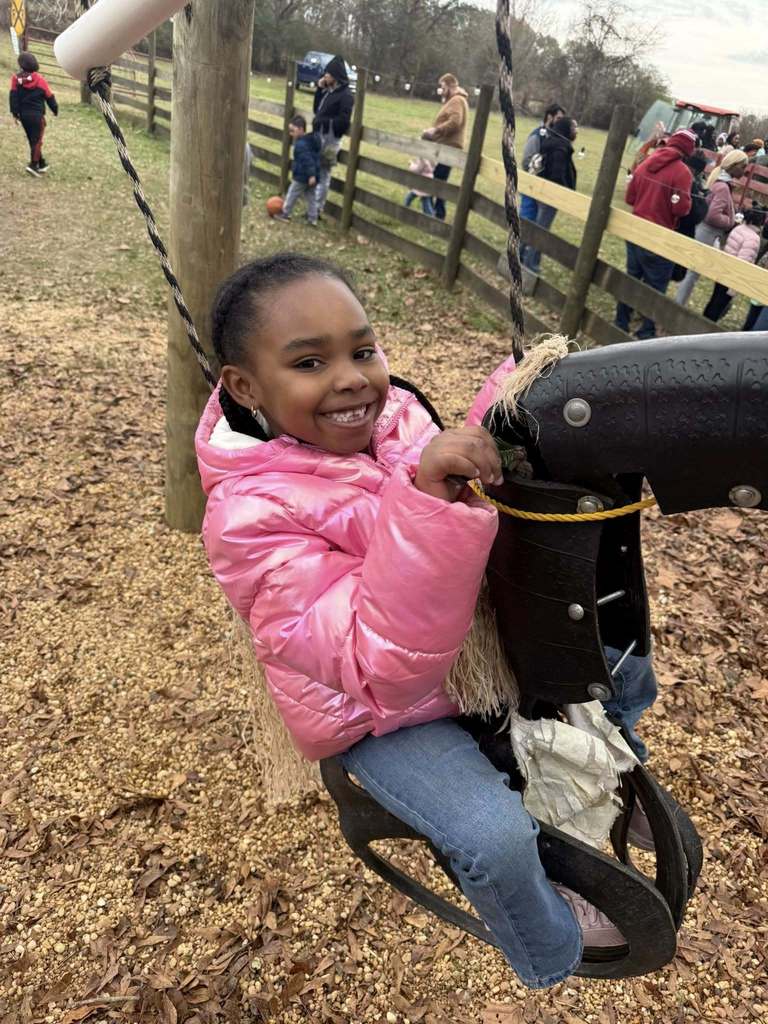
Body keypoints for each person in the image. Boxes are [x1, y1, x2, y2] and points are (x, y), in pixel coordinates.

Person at [195, 252, 663, 988]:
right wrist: (424, 498)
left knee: (619, 654)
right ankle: (549, 947)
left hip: (459, 662)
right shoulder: (249, 516)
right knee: (493, 836)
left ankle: (617, 769)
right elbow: (376, 662)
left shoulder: (396, 417)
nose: (352, 378)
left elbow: (456, 461)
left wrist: (508, 410)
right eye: (311, 362)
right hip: (374, 714)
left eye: (363, 350)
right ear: (245, 386)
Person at [614, 129, 695, 339]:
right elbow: (681, 210)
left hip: (635, 232)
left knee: (632, 278)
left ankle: (621, 321)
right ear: (688, 150)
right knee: (656, 288)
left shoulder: (645, 163)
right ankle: (646, 331)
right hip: (660, 238)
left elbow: (630, 198)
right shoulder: (683, 172)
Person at [675, 148, 749, 307]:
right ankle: (677, 305)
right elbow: (712, 215)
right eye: (743, 167)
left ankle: (679, 304)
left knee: (691, 274)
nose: (744, 171)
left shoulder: (721, 182)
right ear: (733, 165)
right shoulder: (723, 187)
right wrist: (730, 222)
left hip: (705, 233)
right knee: (691, 275)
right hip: (707, 234)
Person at [521, 117, 578, 275]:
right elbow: (556, 174)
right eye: (574, 128)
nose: (576, 131)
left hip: (541, 190)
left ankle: (523, 255)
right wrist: (561, 191)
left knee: (535, 227)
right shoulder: (561, 147)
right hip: (550, 195)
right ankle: (530, 263)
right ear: (566, 129)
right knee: (541, 230)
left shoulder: (550, 142)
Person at [702, 208, 765, 322]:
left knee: (714, 299)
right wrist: (734, 287)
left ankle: (702, 320)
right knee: (719, 305)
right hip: (732, 277)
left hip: (723, 270)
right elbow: (742, 262)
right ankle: (705, 327)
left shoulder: (738, 228)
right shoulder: (753, 239)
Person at [421, 73, 469, 220]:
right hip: (445, 145)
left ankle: (436, 213)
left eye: (442, 87)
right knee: (439, 179)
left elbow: (455, 121)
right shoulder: (454, 100)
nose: (441, 90)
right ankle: (436, 212)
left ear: (449, 86)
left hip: (448, 147)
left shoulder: (456, 101)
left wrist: (436, 130)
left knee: (436, 179)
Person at [312, 56, 354, 217]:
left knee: (324, 174)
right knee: (317, 170)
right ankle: (312, 206)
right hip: (319, 137)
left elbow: (343, 122)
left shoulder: (346, 96)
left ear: (335, 76)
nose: (325, 77)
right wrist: (319, 89)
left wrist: (323, 122)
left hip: (330, 141)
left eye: (327, 74)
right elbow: (317, 109)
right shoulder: (329, 92)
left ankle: (317, 208)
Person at [8, 51, 58, 177]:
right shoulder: (40, 80)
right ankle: (33, 165)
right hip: (37, 116)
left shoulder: (15, 79)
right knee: (37, 141)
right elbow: (49, 96)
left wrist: (15, 113)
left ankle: (41, 163)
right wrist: (55, 109)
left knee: (33, 139)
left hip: (24, 116)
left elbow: (13, 96)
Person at [520, 103, 566, 226]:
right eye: (558, 119)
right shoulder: (536, 136)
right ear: (550, 117)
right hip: (531, 187)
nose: (560, 122)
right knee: (526, 225)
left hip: (548, 190)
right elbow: (526, 162)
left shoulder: (557, 138)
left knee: (541, 228)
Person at [275, 115, 320, 226]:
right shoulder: (310, 141)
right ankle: (313, 218)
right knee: (311, 197)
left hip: (302, 176)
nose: (290, 133)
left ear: (300, 129)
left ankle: (285, 213)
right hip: (312, 176)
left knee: (292, 193)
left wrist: (311, 175)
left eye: (292, 130)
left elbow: (307, 161)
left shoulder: (301, 145)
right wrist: (314, 175)